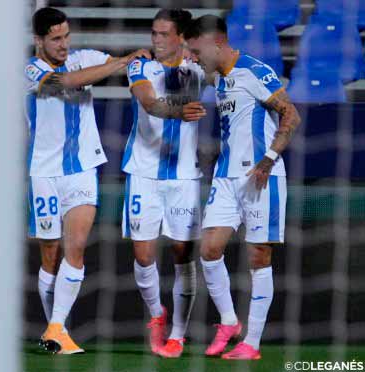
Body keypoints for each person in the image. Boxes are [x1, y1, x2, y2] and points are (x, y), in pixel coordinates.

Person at [26, 7, 147, 355]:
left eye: (66, 37)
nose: (64, 45)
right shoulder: (32, 71)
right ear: (39, 40)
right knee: (50, 253)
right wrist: (122, 61)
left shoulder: (84, 59)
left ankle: (55, 329)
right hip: (44, 172)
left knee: (75, 246)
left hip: (82, 168)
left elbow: (118, 65)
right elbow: (66, 82)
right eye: (56, 39)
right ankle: (57, 331)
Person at [184, 15, 301, 360]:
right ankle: (230, 321)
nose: (193, 57)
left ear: (216, 42)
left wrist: (267, 159)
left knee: (258, 257)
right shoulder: (219, 80)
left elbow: (291, 114)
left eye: (195, 50)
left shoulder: (253, 70)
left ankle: (252, 343)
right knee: (208, 250)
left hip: (260, 176)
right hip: (225, 177)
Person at [122, 8, 208, 358]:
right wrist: (179, 111)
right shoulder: (140, 65)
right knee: (143, 256)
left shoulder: (198, 67)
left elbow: (227, 70)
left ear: (180, 37)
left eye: (162, 34)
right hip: (143, 173)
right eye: (153, 33)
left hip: (185, 177)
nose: (155, 39)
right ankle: (157, 314)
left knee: (182, 255)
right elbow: (148, 102)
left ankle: (178, 334)